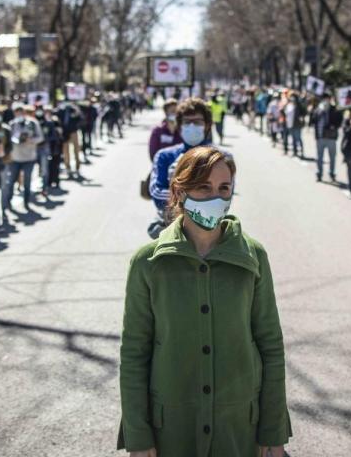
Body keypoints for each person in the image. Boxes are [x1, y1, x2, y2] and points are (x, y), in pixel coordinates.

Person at [118, 146, 291, 456]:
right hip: (171, 429)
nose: (216, 197)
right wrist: (137, 436)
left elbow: (271, 346)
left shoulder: (254, 256)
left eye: (224, 188)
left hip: (239, 427)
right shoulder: (148, 262)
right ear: (179, 191)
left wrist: (273, 429)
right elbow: (134, 352)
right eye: (203, 187)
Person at [3, 104, 44, 215]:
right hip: (15, 157)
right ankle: (8, 201)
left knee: (27, 181)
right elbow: (6, 140)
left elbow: (40, 137)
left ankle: (26, 202)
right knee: (11, 180)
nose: (19, 114)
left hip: (29, 156)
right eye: (16, 112)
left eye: (20, 111)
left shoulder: (32, 123)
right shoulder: (11, 125)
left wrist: (30, 140)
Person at [311, 93, 342, 182]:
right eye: (324, 99)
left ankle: (332, 173)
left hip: (331, 137)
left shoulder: (334, 109)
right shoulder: (318, 109)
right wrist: (313, 110)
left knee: (332, 157)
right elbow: (313, 121)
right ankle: (319, 173)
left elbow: (339, 120)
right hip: (320, 137)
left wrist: (334, 126)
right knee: (319, 157)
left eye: (327, 99)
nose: (326, 101)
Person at [37, 105, 64, 192]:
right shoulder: (40, 122)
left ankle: (55, 181)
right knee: (46, 166)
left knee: (55, 165)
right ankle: (47, 182)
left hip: (54, 147)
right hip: (45, 147)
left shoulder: (54, 121)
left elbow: (58, 134)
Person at [59, 101, 83, 179]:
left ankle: (77, 167)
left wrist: (77, 112)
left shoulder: (74, 110)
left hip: (73, 132)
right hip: (65, 133)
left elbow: (80, 119)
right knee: (66, 152)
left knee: (76, 150)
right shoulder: (60, 110)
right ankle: (68, 168)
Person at [283, 92, 304, 157]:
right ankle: (295, 152)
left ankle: (301, 151)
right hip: (290, 124)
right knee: (293, 139)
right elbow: (284, 112)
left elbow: (304, 112)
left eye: (294, 97)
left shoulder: (299, 105)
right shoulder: (288, 105)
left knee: (298, 138)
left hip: (297, 125)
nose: (292, 99)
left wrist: (301, 118)